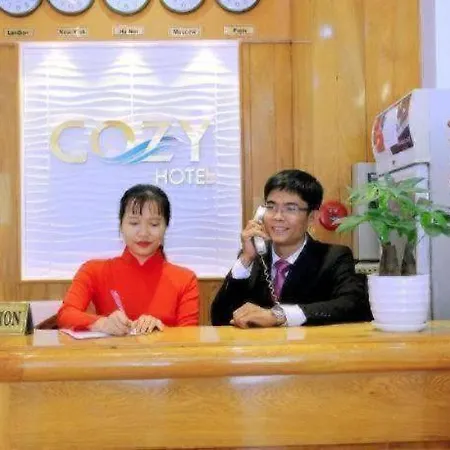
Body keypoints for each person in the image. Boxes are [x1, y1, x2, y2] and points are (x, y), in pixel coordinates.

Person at [211, 169, 372, 328]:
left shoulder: (334, 257)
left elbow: (354, 306)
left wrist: (280, 316)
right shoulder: (253, 258)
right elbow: (219, 318)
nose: (278, 217)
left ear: (312, 217)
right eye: (271, 207)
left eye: (290, 208)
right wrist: (245, 260)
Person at [57, 184, 199, 335]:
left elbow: (190, 336)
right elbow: (66, 315)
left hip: (166, 351)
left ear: (166, 227)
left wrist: (160, 329)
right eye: (134, 223)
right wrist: (102, 324)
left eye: (154, 224)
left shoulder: (185, 279)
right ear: (121, 225)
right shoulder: (94, 270)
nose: (143, 233)